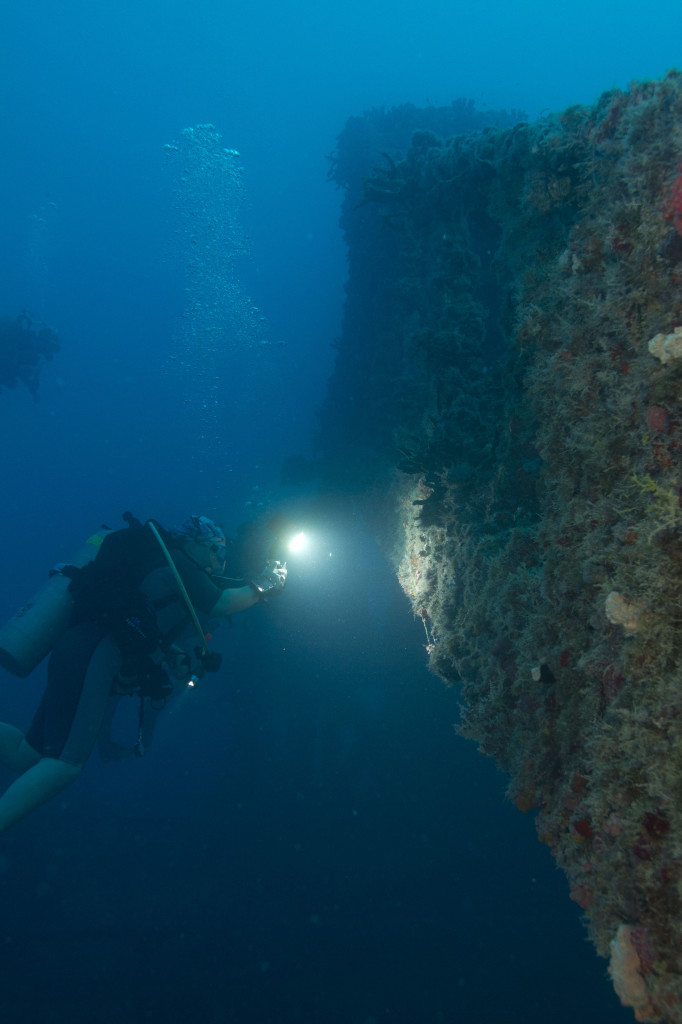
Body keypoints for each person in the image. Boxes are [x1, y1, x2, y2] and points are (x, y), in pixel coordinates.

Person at [0, 513, 286, 835]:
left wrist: (172, 654)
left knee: (27, 754)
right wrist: (265, 585)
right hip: (95, 651)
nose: (220, 558)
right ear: (192, 543)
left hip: (77, 647)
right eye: (214, 549)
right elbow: (221, 603)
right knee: (66, 764)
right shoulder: (178, 559)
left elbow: (143, 621)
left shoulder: (158, 565)